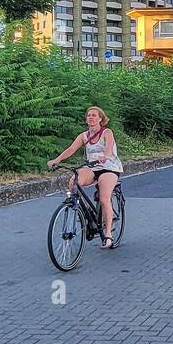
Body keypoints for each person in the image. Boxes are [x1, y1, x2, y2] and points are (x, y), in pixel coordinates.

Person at [48, 106, 123, 249]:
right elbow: (71, 149)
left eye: (94, 115)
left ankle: (108, 234)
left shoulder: (107, 132)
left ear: (100, 118)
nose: (91, 117)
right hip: (92, 167)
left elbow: (108, 148)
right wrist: (56, 160)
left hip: (109, 167)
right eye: (89, 115)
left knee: (104, 196)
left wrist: (105, 156)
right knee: (73, 182)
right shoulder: (84, 136)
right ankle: (87, 212)